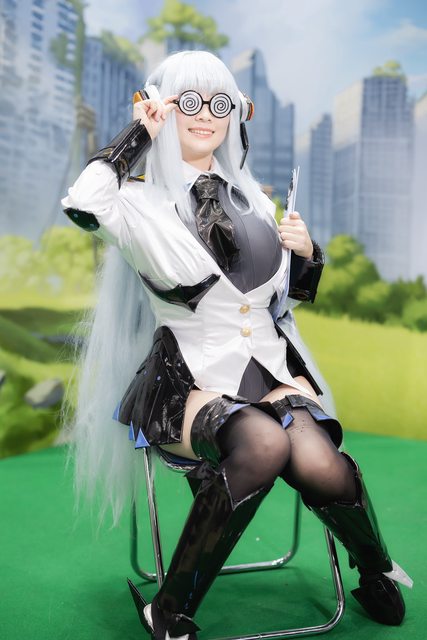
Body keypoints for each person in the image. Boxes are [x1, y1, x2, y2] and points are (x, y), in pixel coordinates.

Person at [62, 51, 411, 640]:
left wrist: (306, 255)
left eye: (219, 103)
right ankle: (169, 609)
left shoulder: (256, 199)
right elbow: (82, 202)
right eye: (188, 102)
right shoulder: (136, 202)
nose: (205, 115)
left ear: (236, 114)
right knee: (263, 444)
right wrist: (139, 134)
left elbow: (277, 303)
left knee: (320, 462)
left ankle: (373, 566)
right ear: (162, 108)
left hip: (269, 373)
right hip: (187, 382)